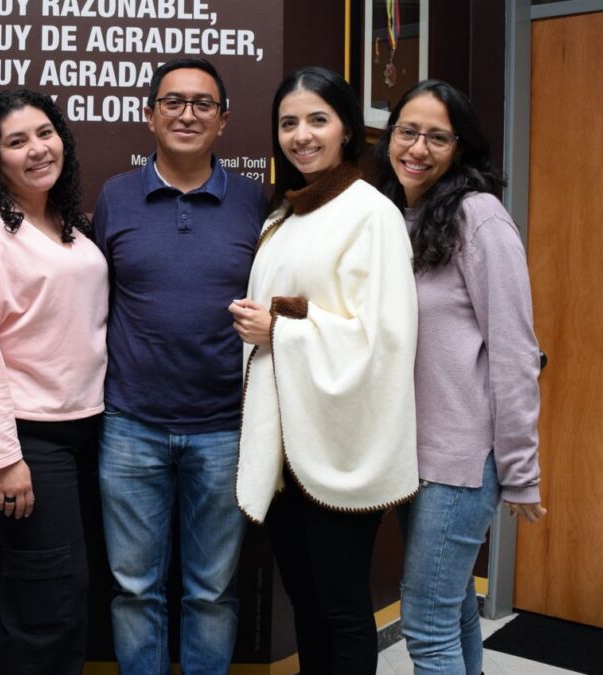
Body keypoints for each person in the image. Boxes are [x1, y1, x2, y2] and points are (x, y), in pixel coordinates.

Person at [231, 66, 419, 673]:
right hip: (285, 445)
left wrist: (280, 329)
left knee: (340, 606)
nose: (301, 135)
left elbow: (385, 338)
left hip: (341, 444)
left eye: (317, 120)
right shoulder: (283, 216)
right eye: (288, 123)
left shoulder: (372, 214)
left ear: (346, 130)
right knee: (305, 601)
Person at [93, 57, 268, 674]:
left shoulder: (257, 202)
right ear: (149, 116)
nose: (186, 114)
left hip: (225, 428)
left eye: (202, 104)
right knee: (135, 592)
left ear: (223, 121)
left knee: (212, 594)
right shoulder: (115, 197)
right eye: (172, 102)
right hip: (130, 427)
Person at [374, 79, 546, 674]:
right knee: (455, 614)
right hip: (411, 456)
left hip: (461, 462)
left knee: (424, 624)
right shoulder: (396, 215)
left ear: (460, 148)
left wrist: (521, 472)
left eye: (437, 137)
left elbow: (516, 350)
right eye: (407, 131)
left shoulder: (480, 217)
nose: (417, 148)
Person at [0, 89, 108, 674]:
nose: (37, 149)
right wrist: (4, 458)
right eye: (16, 141)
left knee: (37, 601)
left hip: (85, 432)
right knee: (49, 610)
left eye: (45, 133)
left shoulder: (68, 224)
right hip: (25, 439)